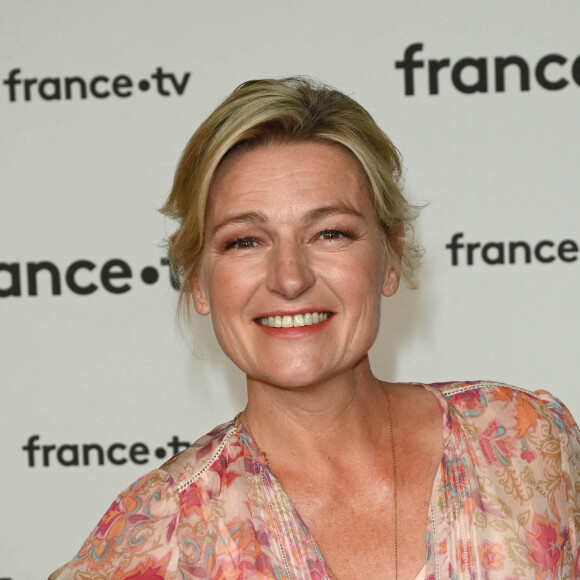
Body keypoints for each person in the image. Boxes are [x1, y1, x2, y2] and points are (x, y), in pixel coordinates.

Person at [49, 77, 580, 579]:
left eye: (329, 233)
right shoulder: (158, 536)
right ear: (198, 283)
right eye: (244, 241)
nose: (289, 278)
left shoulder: (525, 440)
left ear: (390, 256)